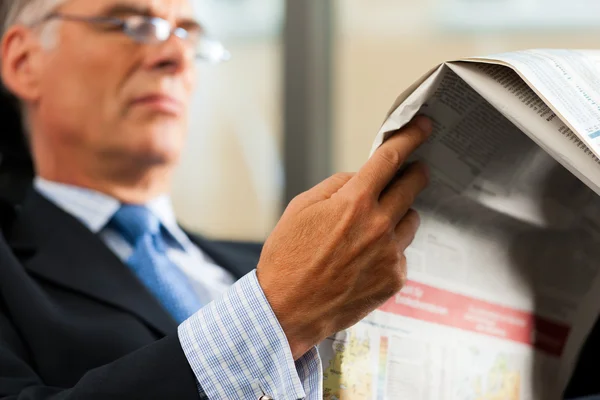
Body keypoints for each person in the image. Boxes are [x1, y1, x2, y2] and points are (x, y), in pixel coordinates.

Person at [0, 0, 432, 398]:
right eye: (134, 25)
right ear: (24, 61)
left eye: (188, 33)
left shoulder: (278, 260)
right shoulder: (291, 281)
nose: (175, 56)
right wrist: (277, 315)